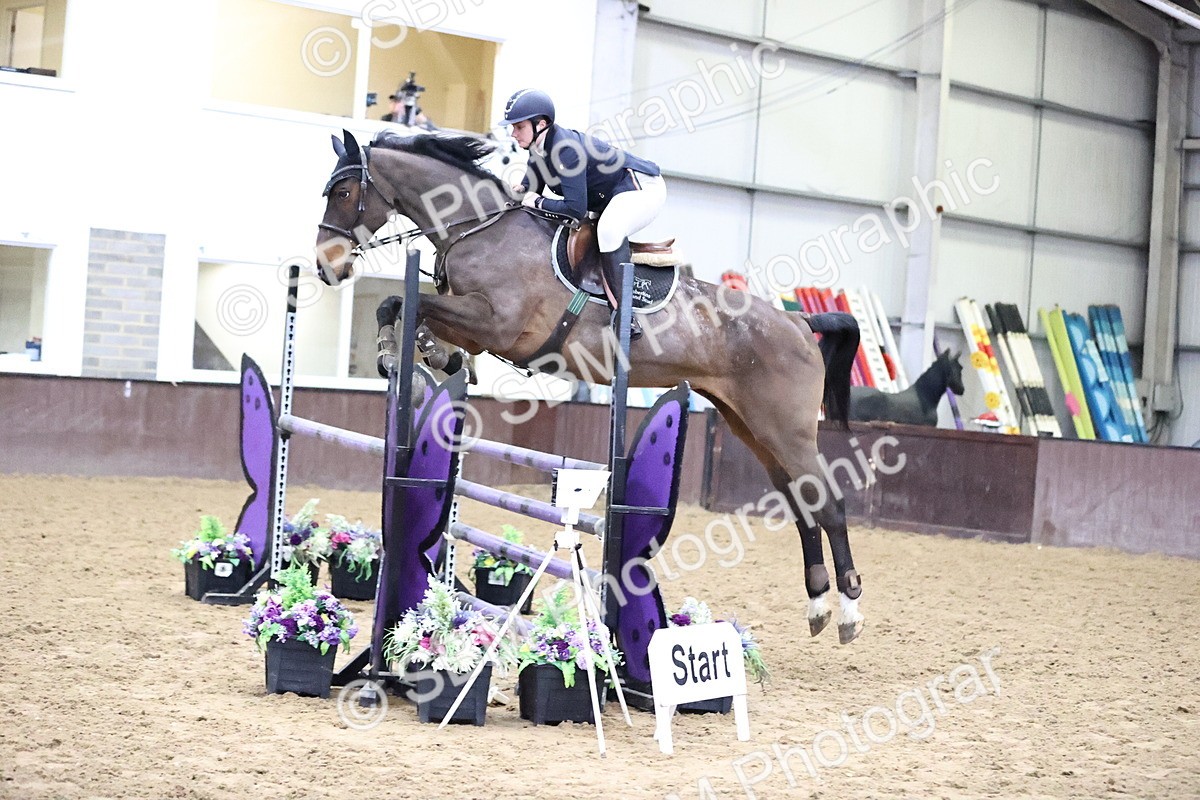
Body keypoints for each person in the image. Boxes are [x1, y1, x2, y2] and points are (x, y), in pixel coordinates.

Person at [502, 88, 665, 339]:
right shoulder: (538, 147)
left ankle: (625, 317)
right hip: (612, 195)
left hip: (641, 187)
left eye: (519, 127)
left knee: (609, 230)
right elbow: (529, 191)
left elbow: (574, 210)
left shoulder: (566, 149)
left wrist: (539, 202)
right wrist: (515, 192)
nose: (513, 133)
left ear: (541, 124)